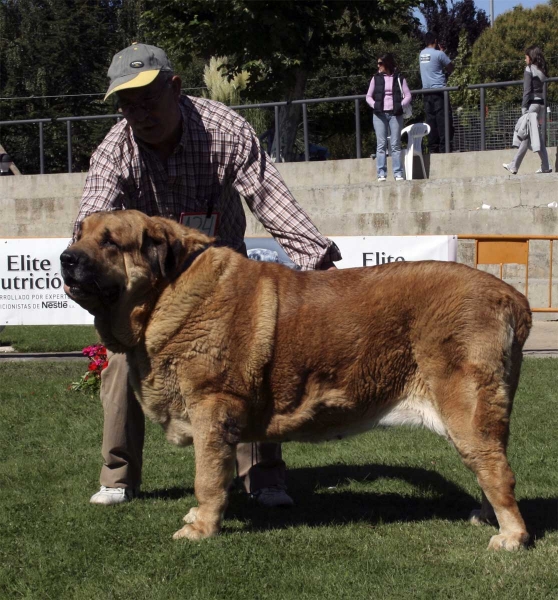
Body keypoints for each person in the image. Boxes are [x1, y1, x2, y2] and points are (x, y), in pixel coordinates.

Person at [68, 42, 341, 508]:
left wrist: (321, 263)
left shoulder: (226, 130)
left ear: (175, 87)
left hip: (221, 276)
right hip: (147, 281)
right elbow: (92, 220)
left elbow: (271, 200)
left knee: (253, 361)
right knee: (118, 358)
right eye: (126, 104)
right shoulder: (115, 149)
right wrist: (84, 267)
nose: (137, 113)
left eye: (147, 99)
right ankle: (118, 477)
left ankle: (264, 477)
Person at [503, 46, 552, 175]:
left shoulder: (529, 69)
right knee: (535, 136)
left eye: (526, 56)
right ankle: (545, 165)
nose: (525, 59)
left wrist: (524, 108)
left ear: (531, 57)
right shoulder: (541, 70)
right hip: (540, 106)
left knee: (525, 134)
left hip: (532, 106)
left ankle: (514, 166)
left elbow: (527, 91)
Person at [366, 53, 412, 182]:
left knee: (395, 144)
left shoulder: (399, 78)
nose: (378, 66)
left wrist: (400, 105)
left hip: (395, 114)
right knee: (381, 145)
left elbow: (408, 95)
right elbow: (368, 96)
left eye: (380, 63)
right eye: (378, 63)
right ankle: (381, 173)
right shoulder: (375, 78)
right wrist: (374, 105)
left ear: (387, 64)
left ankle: (398, 173)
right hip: (379, 114)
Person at [419, 32, 454, 153]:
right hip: (439, 92)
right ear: (435, 40)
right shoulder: (439, 54)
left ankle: (433, 148)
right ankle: (445, 148)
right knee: (443, 120)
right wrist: (442, 52)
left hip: (426, 92)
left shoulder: (421, 54)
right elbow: (451, 68)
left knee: (430, 120)